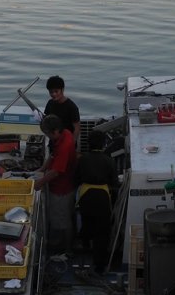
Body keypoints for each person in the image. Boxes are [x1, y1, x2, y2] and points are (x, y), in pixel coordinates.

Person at [74, 132, 119, 273]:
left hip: (86, 196)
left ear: (89, 144)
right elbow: (115, 183)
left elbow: (76, 179)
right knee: (102, 231)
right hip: (103, 198)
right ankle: (99, 265)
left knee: (87, 223)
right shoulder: (109, 160)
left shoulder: (83, 159)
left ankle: (84, 252)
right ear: (104, 144)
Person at [34, 114, 77, 254]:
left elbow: (56, 172)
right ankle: (60, 243)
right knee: (62, 218)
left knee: (63, 221)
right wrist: (41, 169)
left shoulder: (65, 146)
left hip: (62, 190)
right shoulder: (66, 133)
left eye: (47, 134)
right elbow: (53, 156)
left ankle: (67, 249)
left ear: (56, 131)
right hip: (64, 185)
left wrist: (38, 183)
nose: (47, 136)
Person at [43, 75, 80, 146]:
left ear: (62, 90)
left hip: (67, 142)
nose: (53, 94)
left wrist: (72, 143)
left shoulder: (72, 107)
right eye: (51, 92)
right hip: (54, 141)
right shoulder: (50, 103)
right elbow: (46, 120)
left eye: (56, 91)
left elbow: (77, 128)